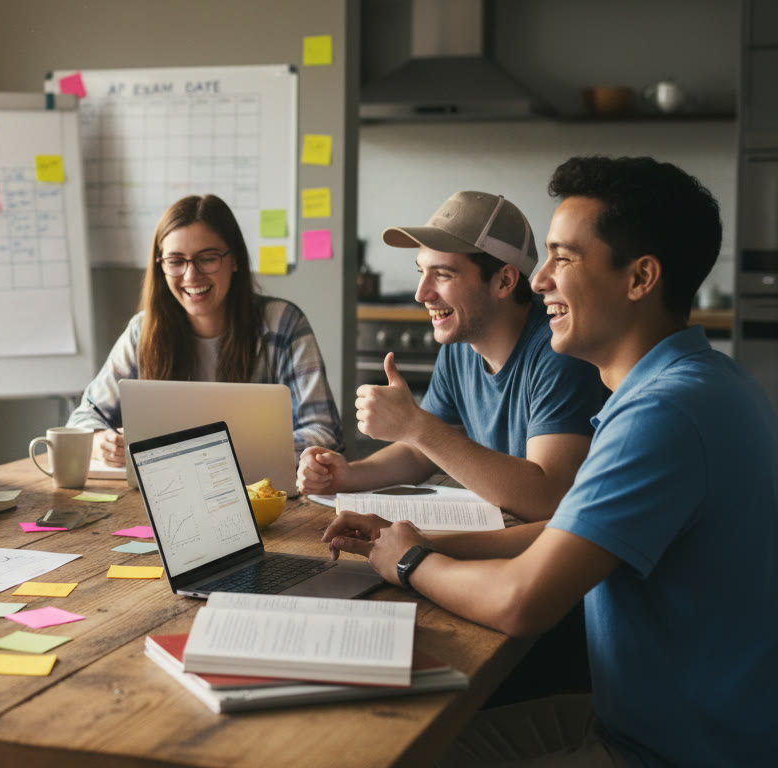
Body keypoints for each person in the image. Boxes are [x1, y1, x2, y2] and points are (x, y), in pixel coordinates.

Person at [323, 156, 778, 767]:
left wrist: (408, 560)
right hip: (644, 720)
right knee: (395, 749)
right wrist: (414, 537)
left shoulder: (664, 414)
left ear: (640, 278)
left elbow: (521, 602)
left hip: (677, 750)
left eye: (563, 258)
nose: (538, 281)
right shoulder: (694, 383)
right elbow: (572, 534)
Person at [298, 190, 604, 523]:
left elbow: (547, 498)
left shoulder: (559, 351)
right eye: (421, 272)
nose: (422, 294)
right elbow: (421, 452)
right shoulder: (460, 347)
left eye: (443, 275)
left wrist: (415, 424)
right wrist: (348, 476)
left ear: (504, 280)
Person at [67, 194, 342, 467]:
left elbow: (323, 432)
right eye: (176, 261)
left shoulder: (283, 324)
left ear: (234, 259)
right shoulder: (143, 331)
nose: (191, 276)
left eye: (207, 259)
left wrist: (212, 453)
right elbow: (83, 419)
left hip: (261, 494)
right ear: (160, 266)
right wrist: (100, 441)